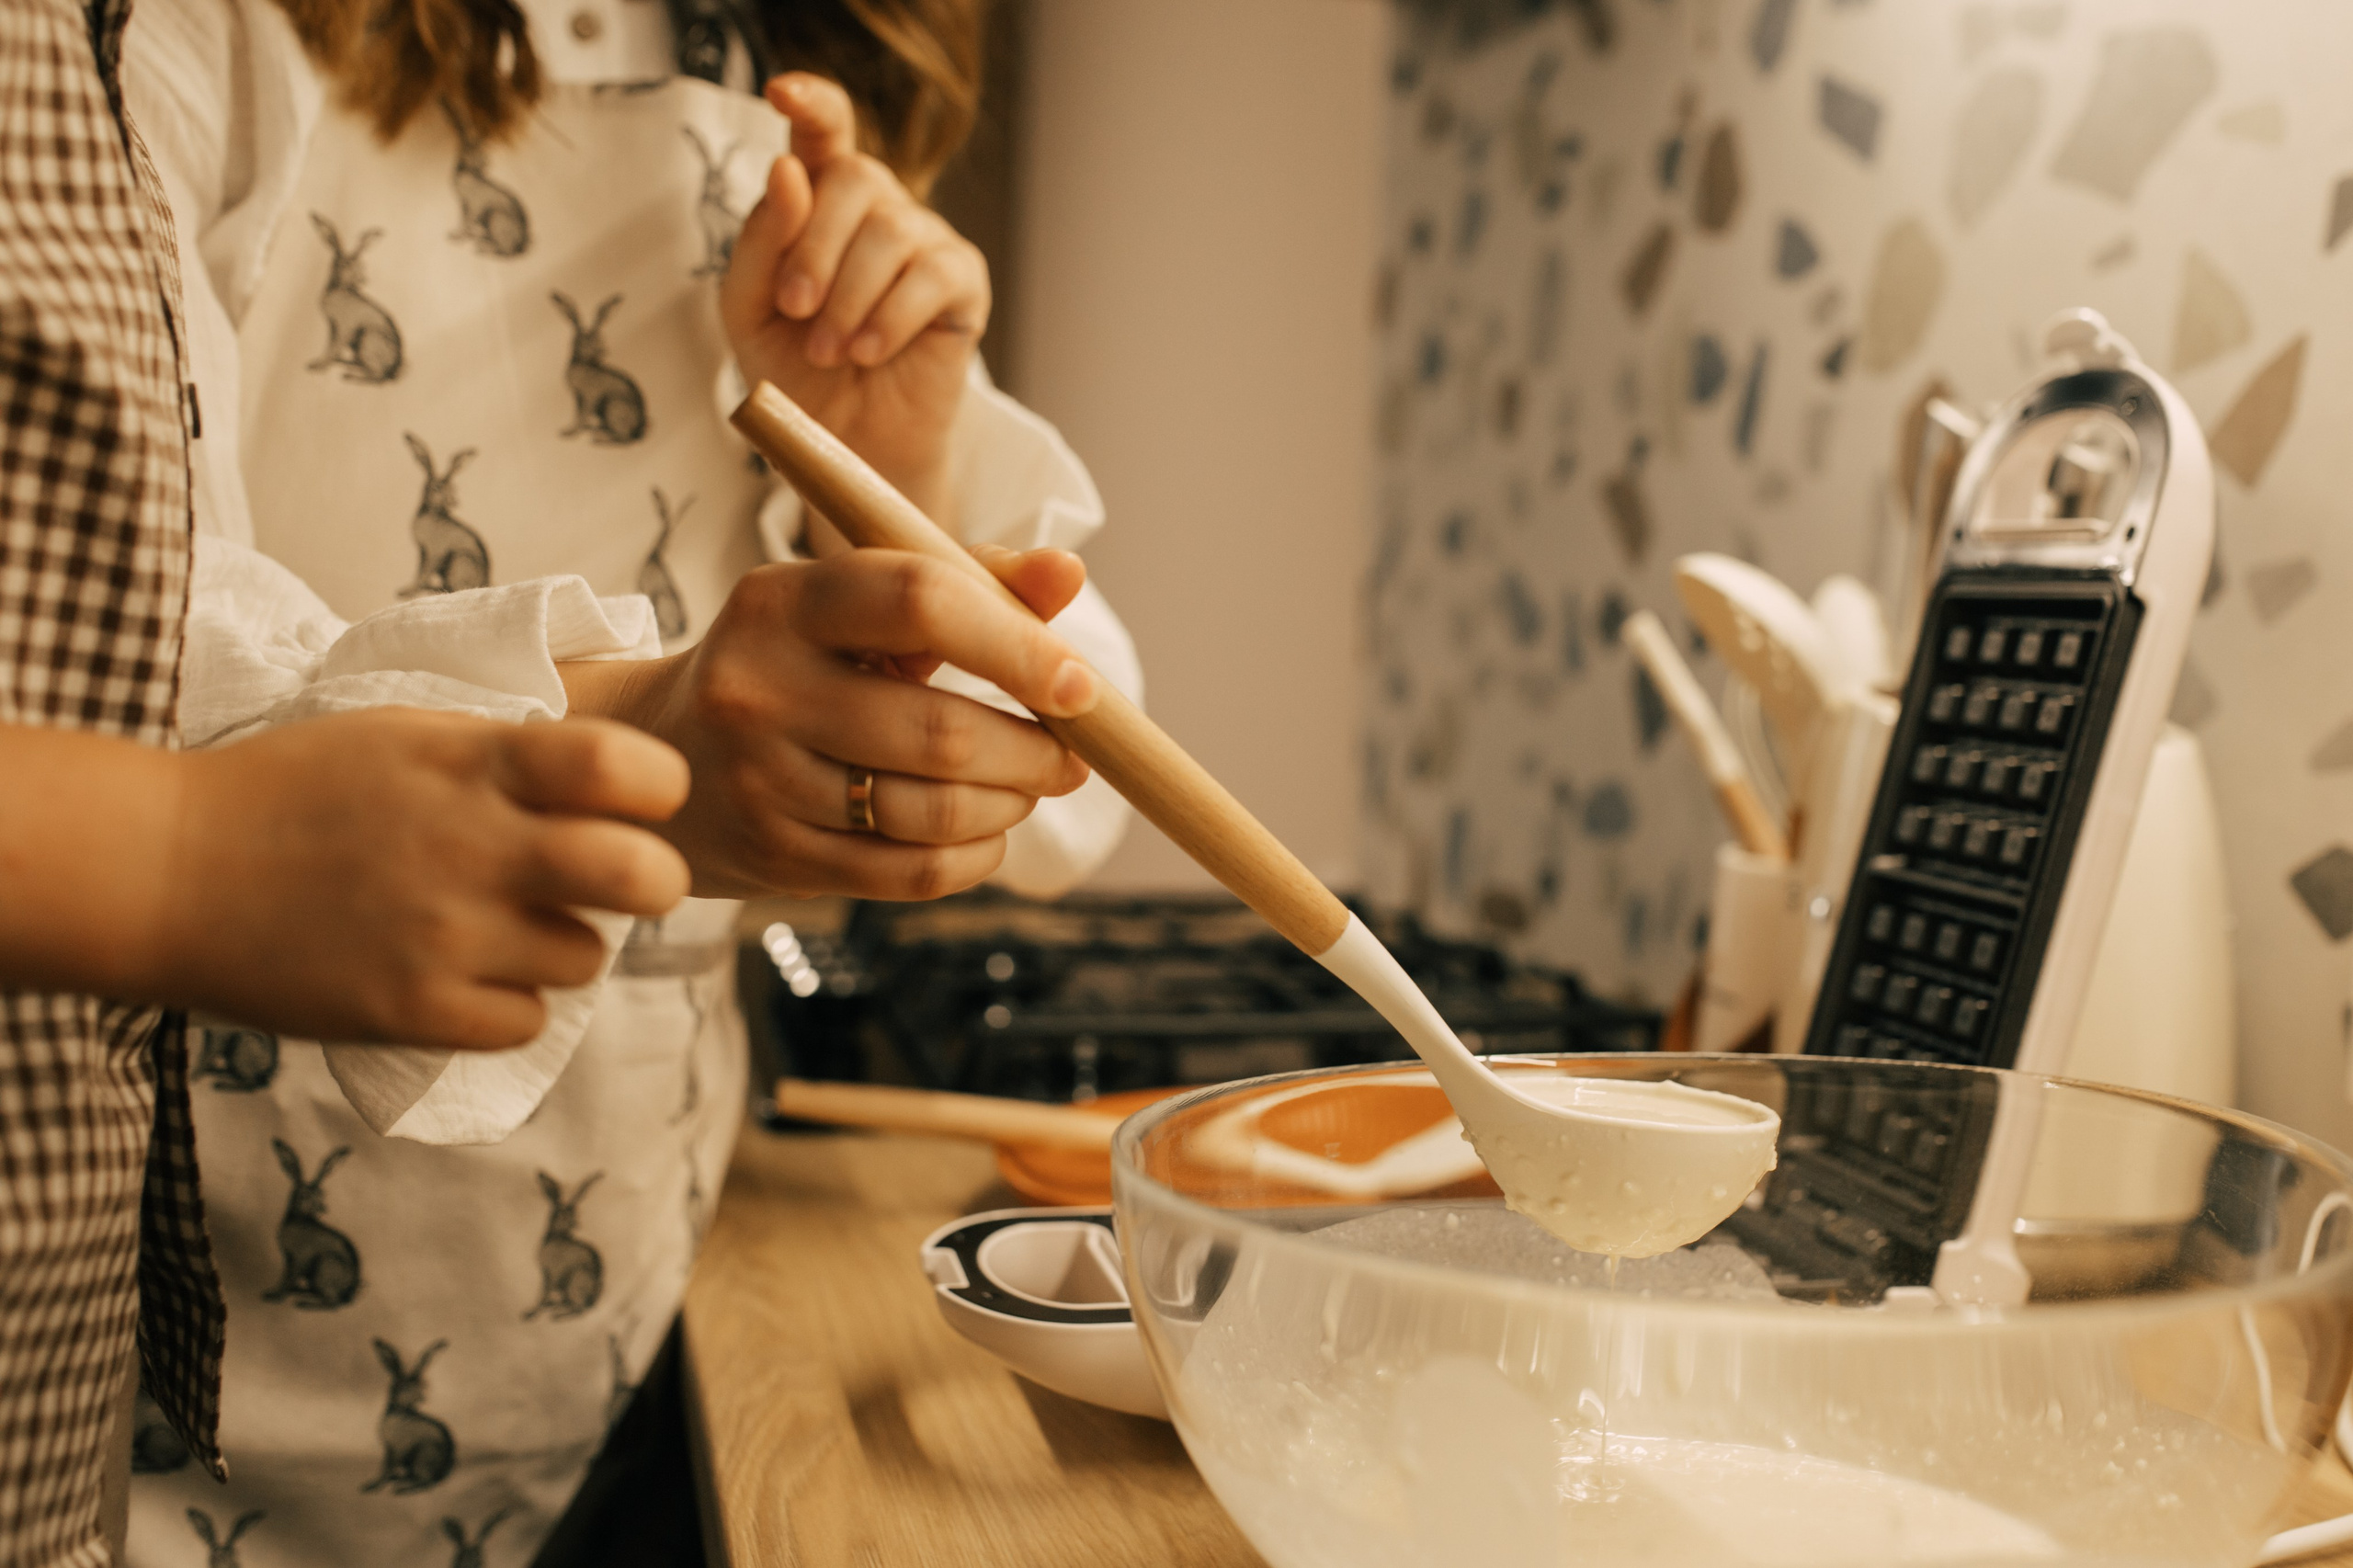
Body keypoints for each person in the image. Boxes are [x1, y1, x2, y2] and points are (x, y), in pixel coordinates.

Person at [120, 0, 1136, 1562]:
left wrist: (886, 473)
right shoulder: (179, 40)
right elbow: (109, 664)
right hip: (176, 1351)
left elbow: (1071, 776)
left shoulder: (772, 89)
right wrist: (643, 745)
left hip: (631, 1329)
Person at [0, 5, 701, 1563]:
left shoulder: (145, 41)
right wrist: (172, 859)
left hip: (51, 1398)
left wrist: (646, 721)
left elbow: (155, 622)